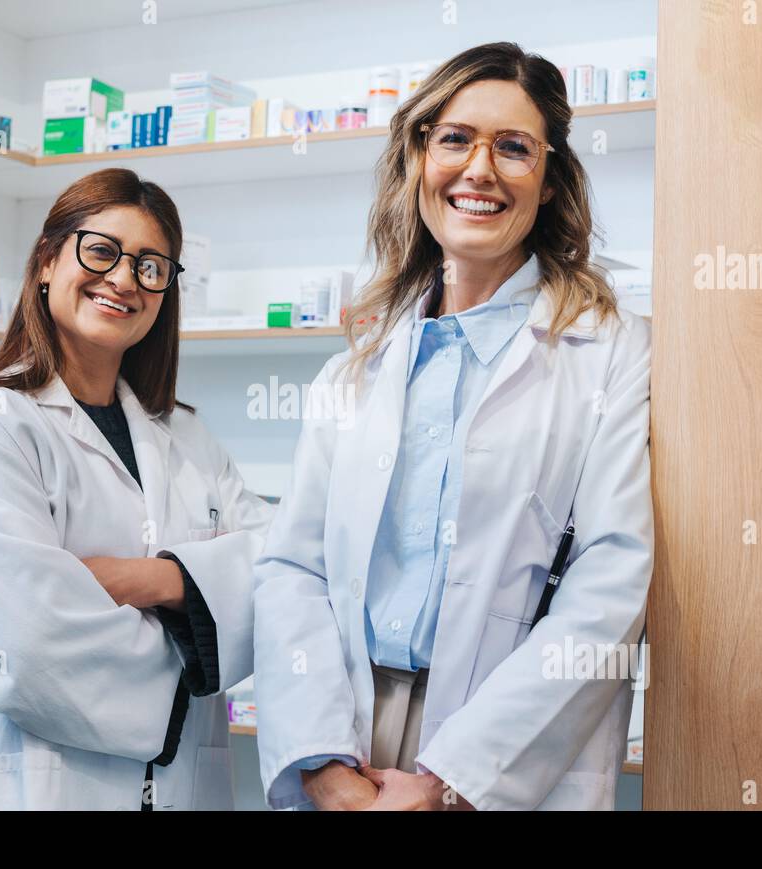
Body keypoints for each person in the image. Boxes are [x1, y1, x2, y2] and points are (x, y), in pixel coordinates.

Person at [253, 42, 652, 811]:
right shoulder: (359, 365)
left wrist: (451, 784)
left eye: (514, 148)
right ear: (419, 158)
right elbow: (292, 570)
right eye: (456, 139)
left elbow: (610, 583)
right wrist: (322, 760)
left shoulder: (609, 351)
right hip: (350, 739)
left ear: (550, 177)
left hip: (504, 750)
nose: (480, 170)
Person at [0, 168, 271, 810]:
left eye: (152, 266)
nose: (126, 280)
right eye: (102, 251)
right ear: (47, 261)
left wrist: (161, 581)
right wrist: (204, 618)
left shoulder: (188, 437)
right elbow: (30, 641)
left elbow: (283, 571)